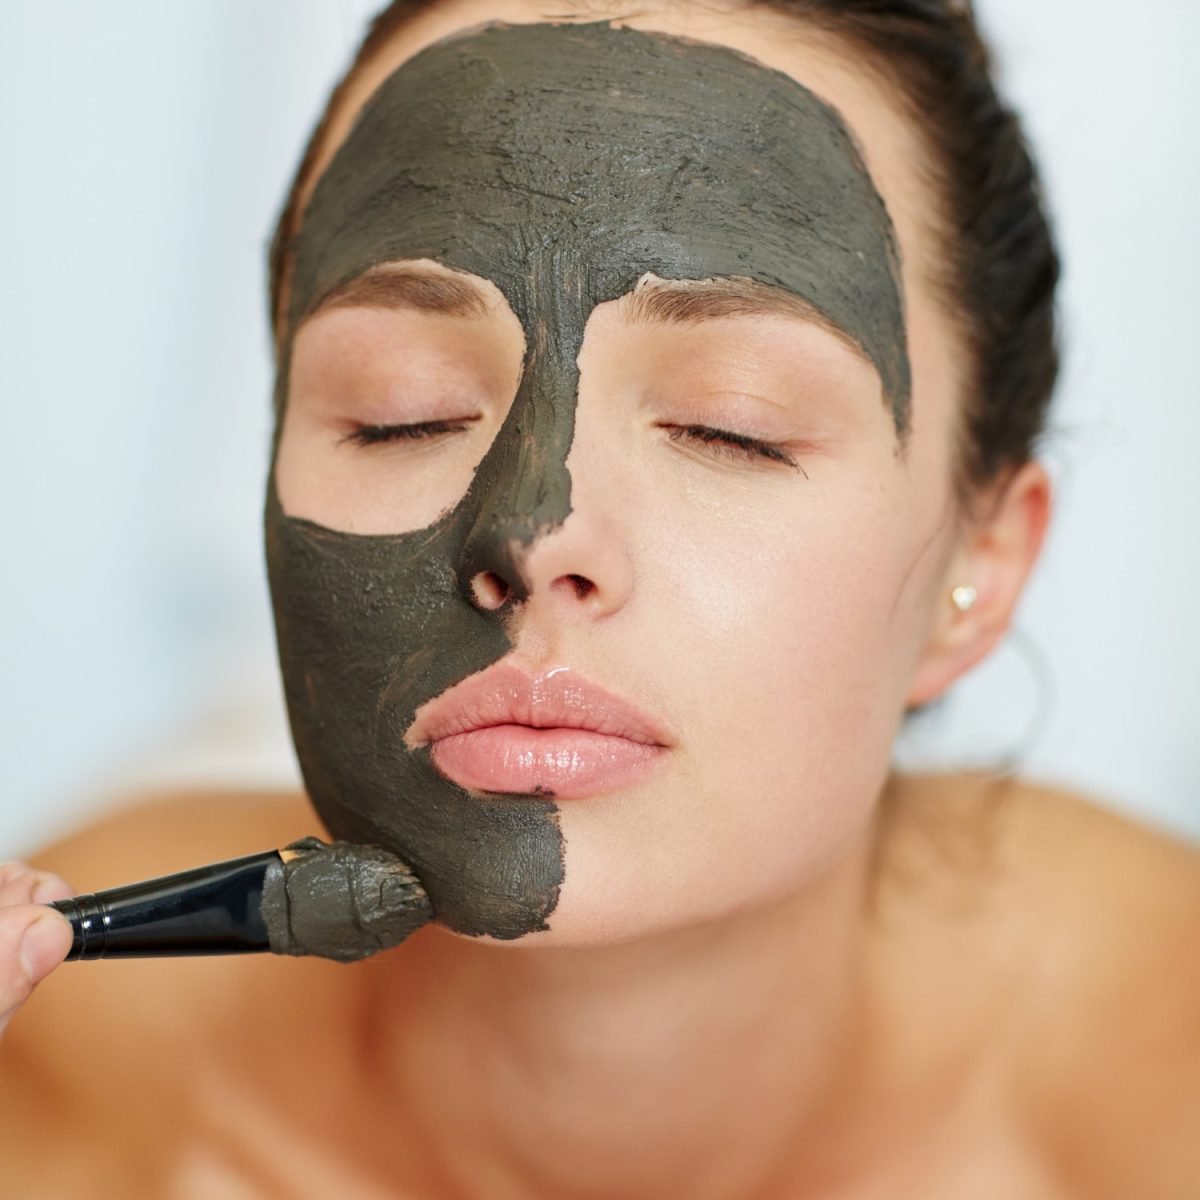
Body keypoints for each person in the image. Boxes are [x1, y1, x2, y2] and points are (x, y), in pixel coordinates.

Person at [2, 0, 1198, 1195]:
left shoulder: (1154, 1073)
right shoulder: (71, 1060)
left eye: (730, 427)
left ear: (979, 566)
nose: (534, 533)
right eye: (397, 410)